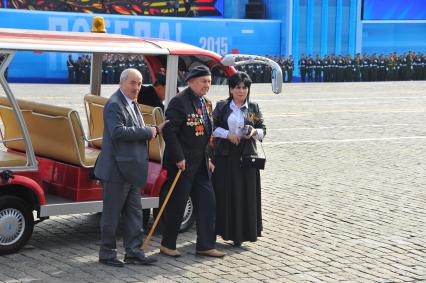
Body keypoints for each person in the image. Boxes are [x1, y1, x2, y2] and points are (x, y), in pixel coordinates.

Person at [94, 68, 166, 267]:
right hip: (116, 170)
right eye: (133, 83)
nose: (137, 87)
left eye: (140, 83)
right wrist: (147, 131)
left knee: (134, 213)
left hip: (132, 170)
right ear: (122, 83)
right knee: (111, 214)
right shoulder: (114, 104)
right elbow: (117, 132)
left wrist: (155, 130)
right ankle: (107, 253)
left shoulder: (132, 103)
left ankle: (134, 251)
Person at [160, 65, 225, 258]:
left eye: (209, 81)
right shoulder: (179, 102)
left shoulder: (206, 103)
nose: (207, 85)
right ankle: (167, 244)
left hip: (201, 164)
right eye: (204, 81)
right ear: (191, 82)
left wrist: (209, 158)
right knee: (177, 204)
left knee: (207, 202)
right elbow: (170, 132)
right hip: (183, 164)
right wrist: (179, 157)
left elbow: (208, 134)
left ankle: (205, 245)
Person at [211, 71, 265, 247]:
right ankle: (224, 230)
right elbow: (213, 127)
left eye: (244, 87)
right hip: (225, 156)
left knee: (245, 194)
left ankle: (242, 235)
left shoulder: (253, 108)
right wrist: (228, 134)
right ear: (231, 89)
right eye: (237, 87)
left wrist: (253, 132)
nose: (241, 91)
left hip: (247, 156)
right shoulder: (222, 106)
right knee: (226, 194)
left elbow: (263, 129)